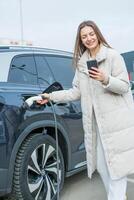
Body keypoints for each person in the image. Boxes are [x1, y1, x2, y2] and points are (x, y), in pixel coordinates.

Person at [38, 20, 134, 200]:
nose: (89, 38)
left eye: (91, 34)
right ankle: (118, 195)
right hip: (95, 125)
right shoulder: (82, 65)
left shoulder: (113, 56)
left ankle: (117, 197)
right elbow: (75, 92)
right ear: (80, 41)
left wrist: (106, 78)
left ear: (97, 34)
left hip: (116, 123)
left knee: (117, 168)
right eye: (84, 36)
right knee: (103, 167)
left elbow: (124, 86)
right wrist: (50, 97)